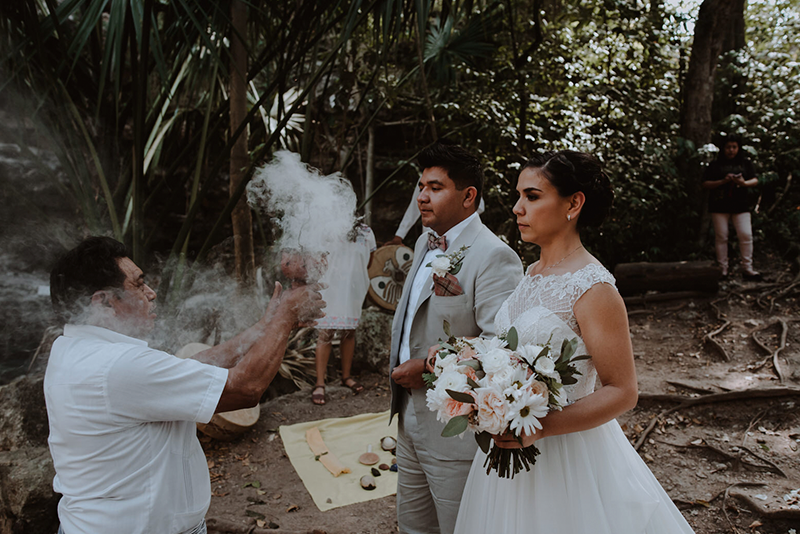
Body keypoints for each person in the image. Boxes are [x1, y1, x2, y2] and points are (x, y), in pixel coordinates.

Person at [452, 151, 695, 533]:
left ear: (574, 203)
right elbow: (510, 351)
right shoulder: (531, 273)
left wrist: (540, 426)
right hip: (506, 451)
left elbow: (623, 390)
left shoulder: (593, 288)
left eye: (532, 196)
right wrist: (468, 364)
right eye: (518, 196)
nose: (517, 208)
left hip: (568, 455)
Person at [44, 236, 324, 534]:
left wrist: (265, 327)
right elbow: (245, 389)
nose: (151, 293)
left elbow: (190, 369)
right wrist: (286, 316)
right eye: (138, 285)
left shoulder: (73, 348)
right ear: (103, 301)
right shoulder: (119, 366)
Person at [389, 140, 523, 534]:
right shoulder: (421, 241)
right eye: (420, 187)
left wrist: (430, 370)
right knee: (414, 526)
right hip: (407, 416)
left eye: (435, 187)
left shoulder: (494, 255)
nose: (422, 197)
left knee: (459, 527)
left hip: (455, 429)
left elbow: (502, 346)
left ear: (468, 197)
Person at [312, 222, 377, 405]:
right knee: (326, 332)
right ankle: (319, 383)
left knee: (350, 332)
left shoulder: (366, 231)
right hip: (330, 286)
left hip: (354, 287)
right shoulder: (326, 223)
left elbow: (370, 259)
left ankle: (346, 376)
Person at [702, 135, 762, 280]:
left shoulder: (745, 163)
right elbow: (705, 183)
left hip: (741, 204)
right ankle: (722, 269)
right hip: (719, 205)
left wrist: (743, 183)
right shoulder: (715, 165)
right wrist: (723, 181)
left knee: (746, 235)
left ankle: (747, 268)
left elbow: (754, 179)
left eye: (734, 147)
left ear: (738, 148)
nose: (731, 150)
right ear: (723, 148)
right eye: (728, 147)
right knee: (721, 236)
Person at [383, 178, 485, 247]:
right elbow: (414, 207)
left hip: (459, 238)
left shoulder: (460, 177)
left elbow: (479, 207)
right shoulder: (425, 178)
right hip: (431, 239)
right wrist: (399, 235)